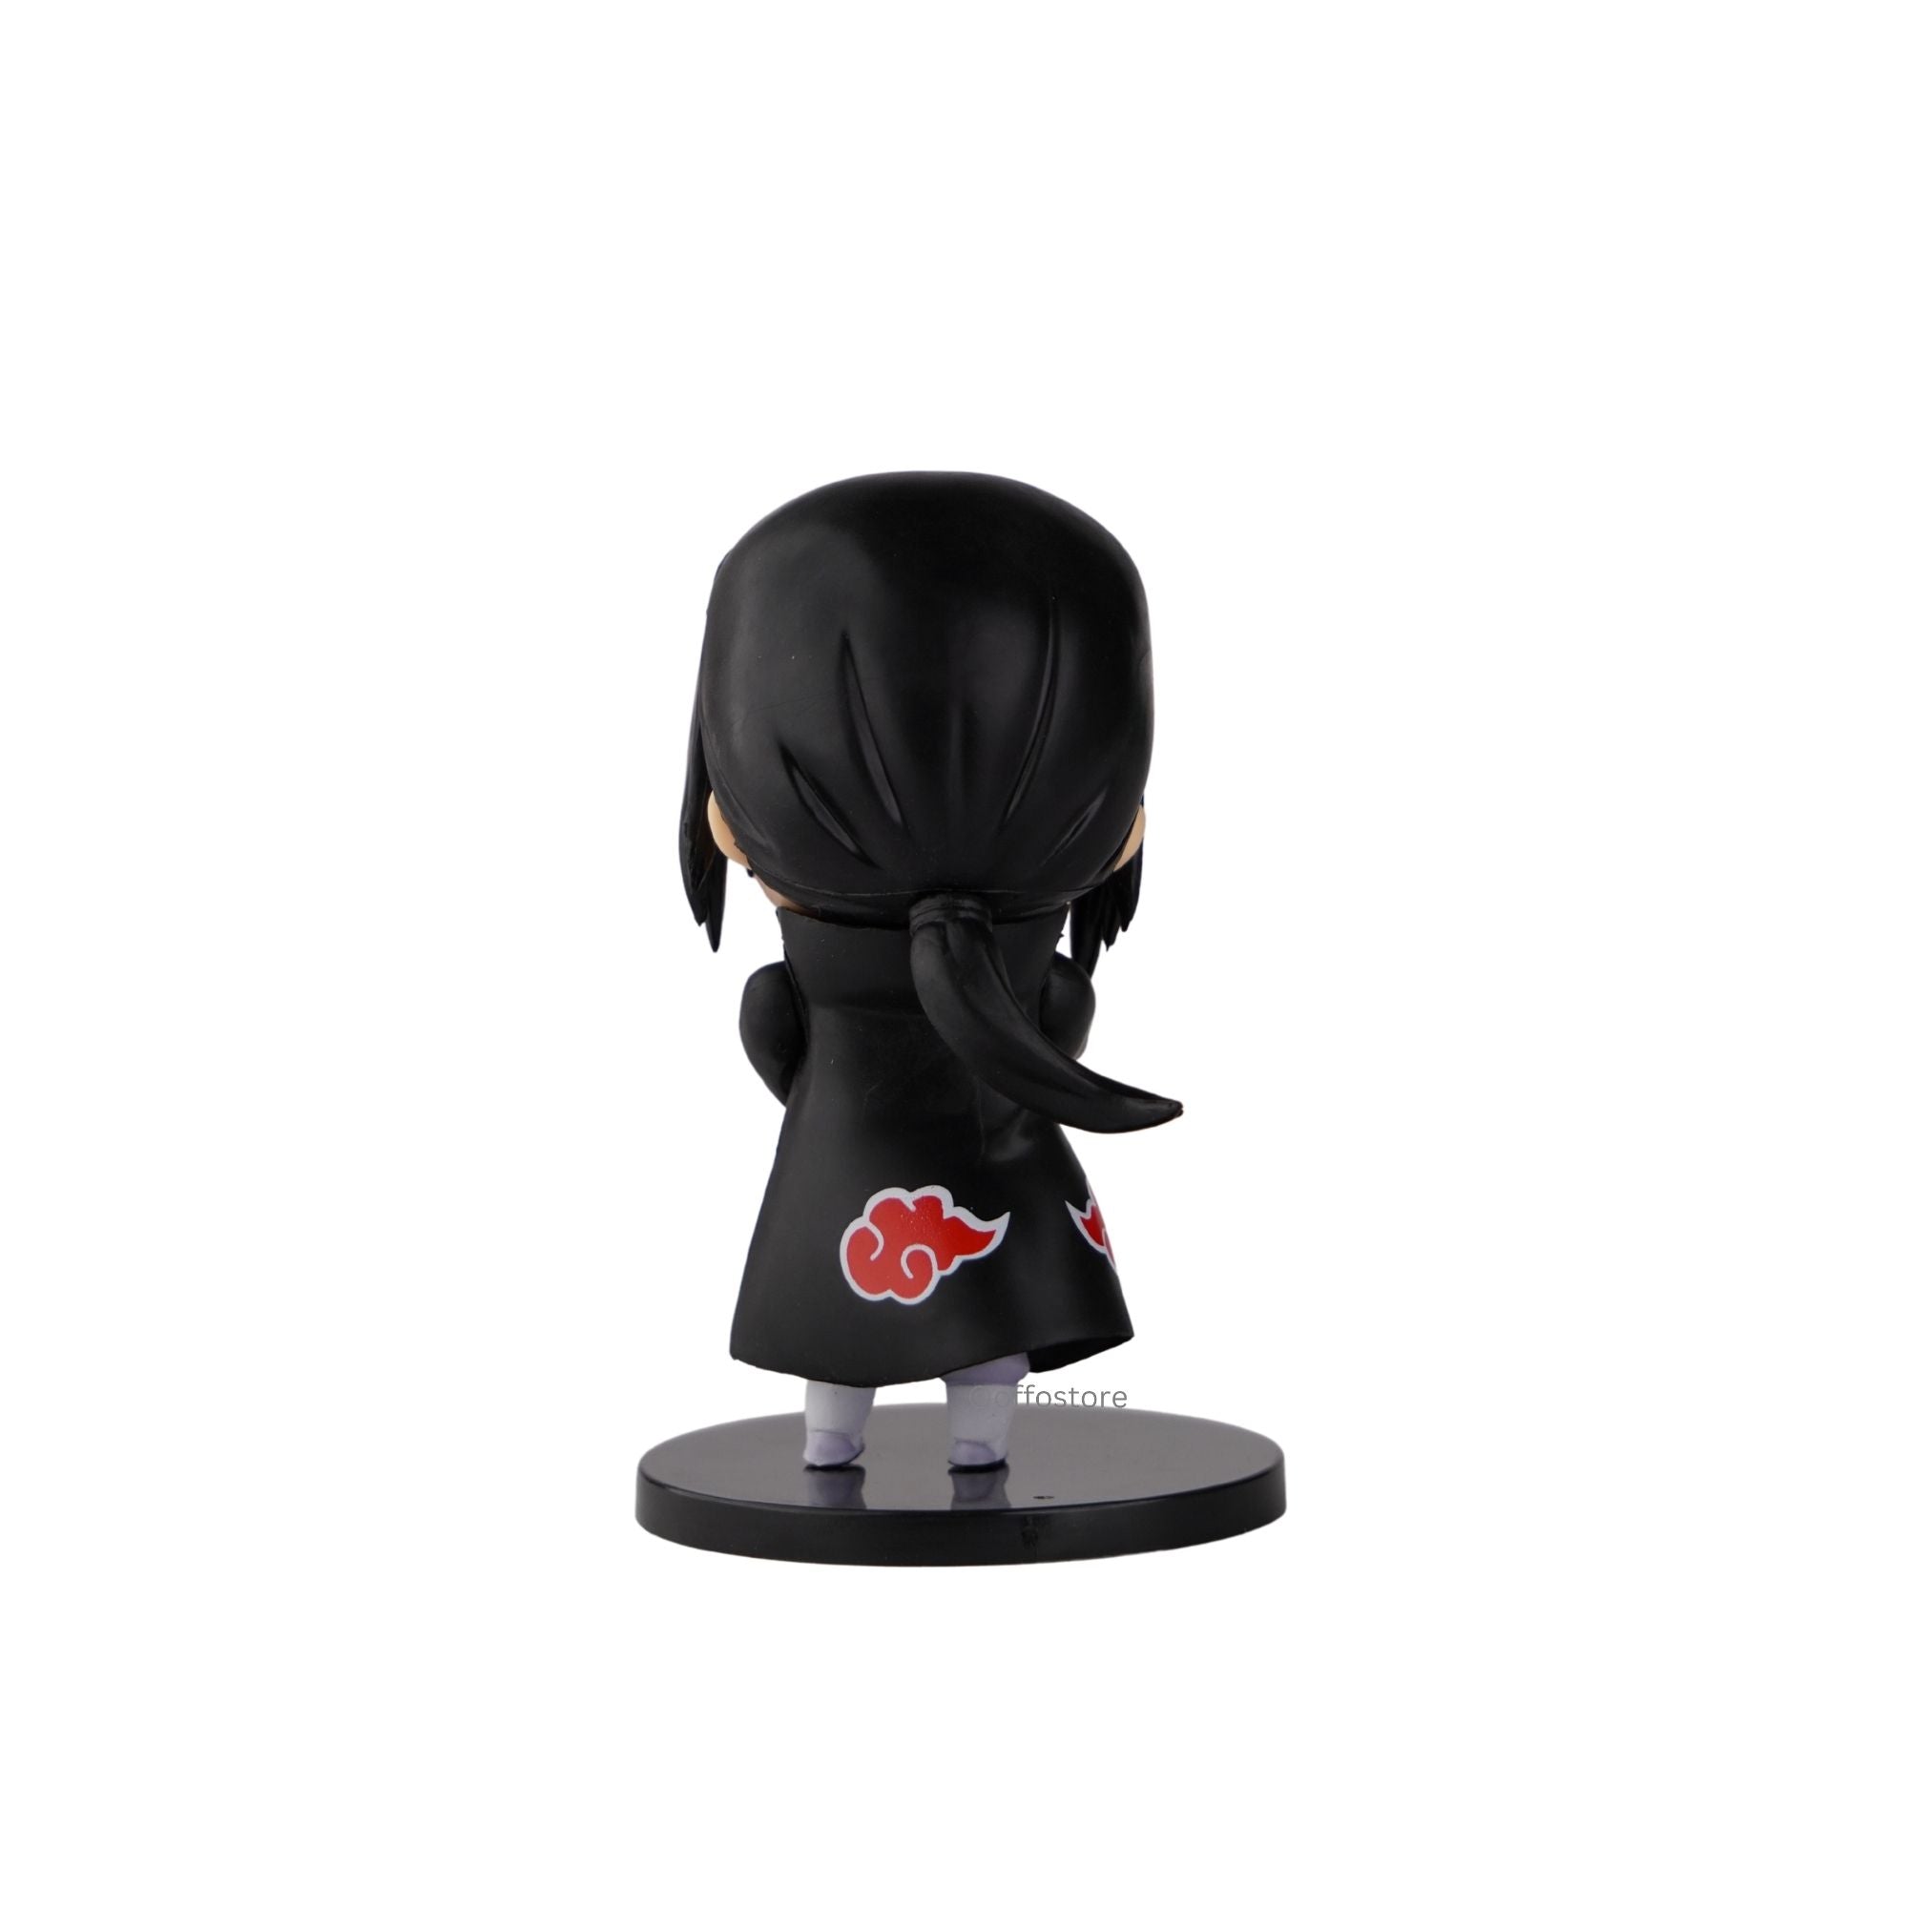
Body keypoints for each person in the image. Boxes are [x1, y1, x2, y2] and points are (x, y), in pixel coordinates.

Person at [677, 472, 1180, 1468]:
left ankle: (830, 1437)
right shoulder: (1047, 996)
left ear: (727, 822)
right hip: (1002, 1187)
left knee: (836, 1342)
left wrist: (841, 1097)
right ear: (1123, 827)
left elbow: (775, 1039)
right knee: (995, 1329)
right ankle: (977, 1445)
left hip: (834, 1183)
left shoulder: (788, 997)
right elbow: (1062, 1013)